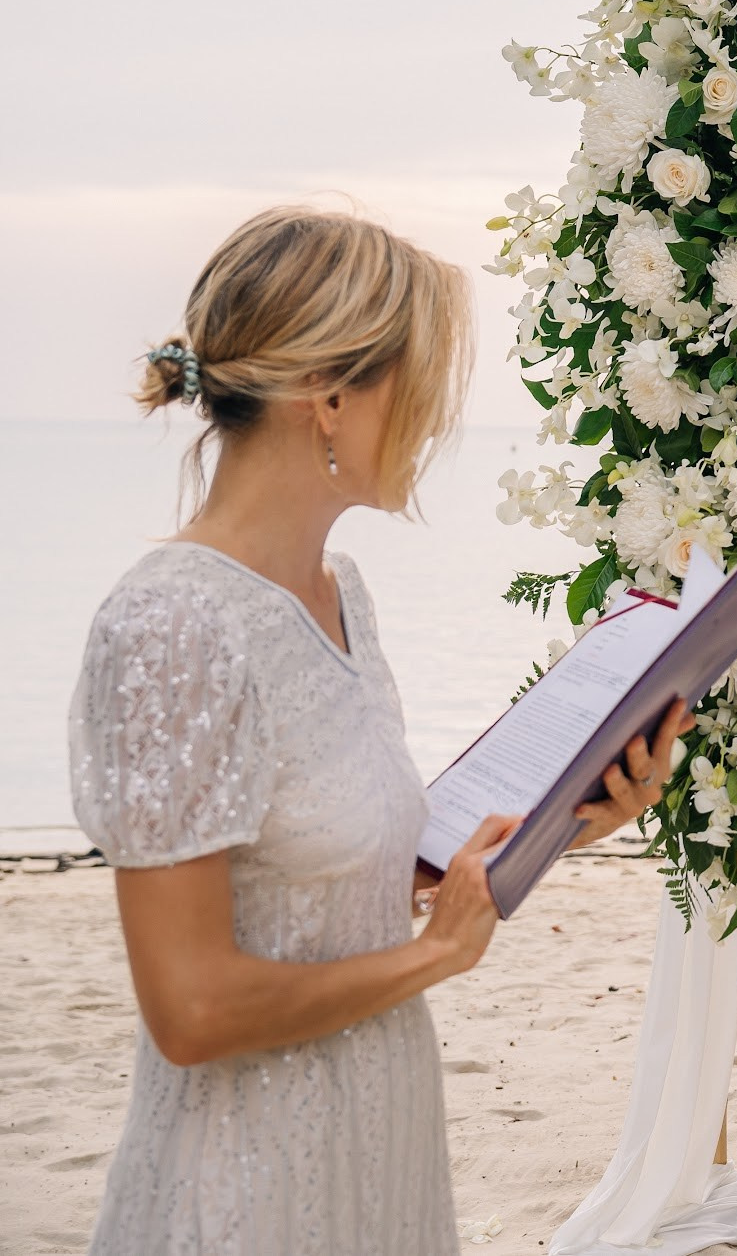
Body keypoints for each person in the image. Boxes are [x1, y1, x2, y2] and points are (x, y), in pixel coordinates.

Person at [67, 207, 689, 1256]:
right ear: (332, 395)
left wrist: (566, 821)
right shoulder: (175, 624)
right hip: (245, 1184)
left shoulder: (338, 593)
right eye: (425, 381)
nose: (438, 419)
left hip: (381, 1139)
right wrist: (435, 957)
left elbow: (339, 874)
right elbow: (192, 1006)